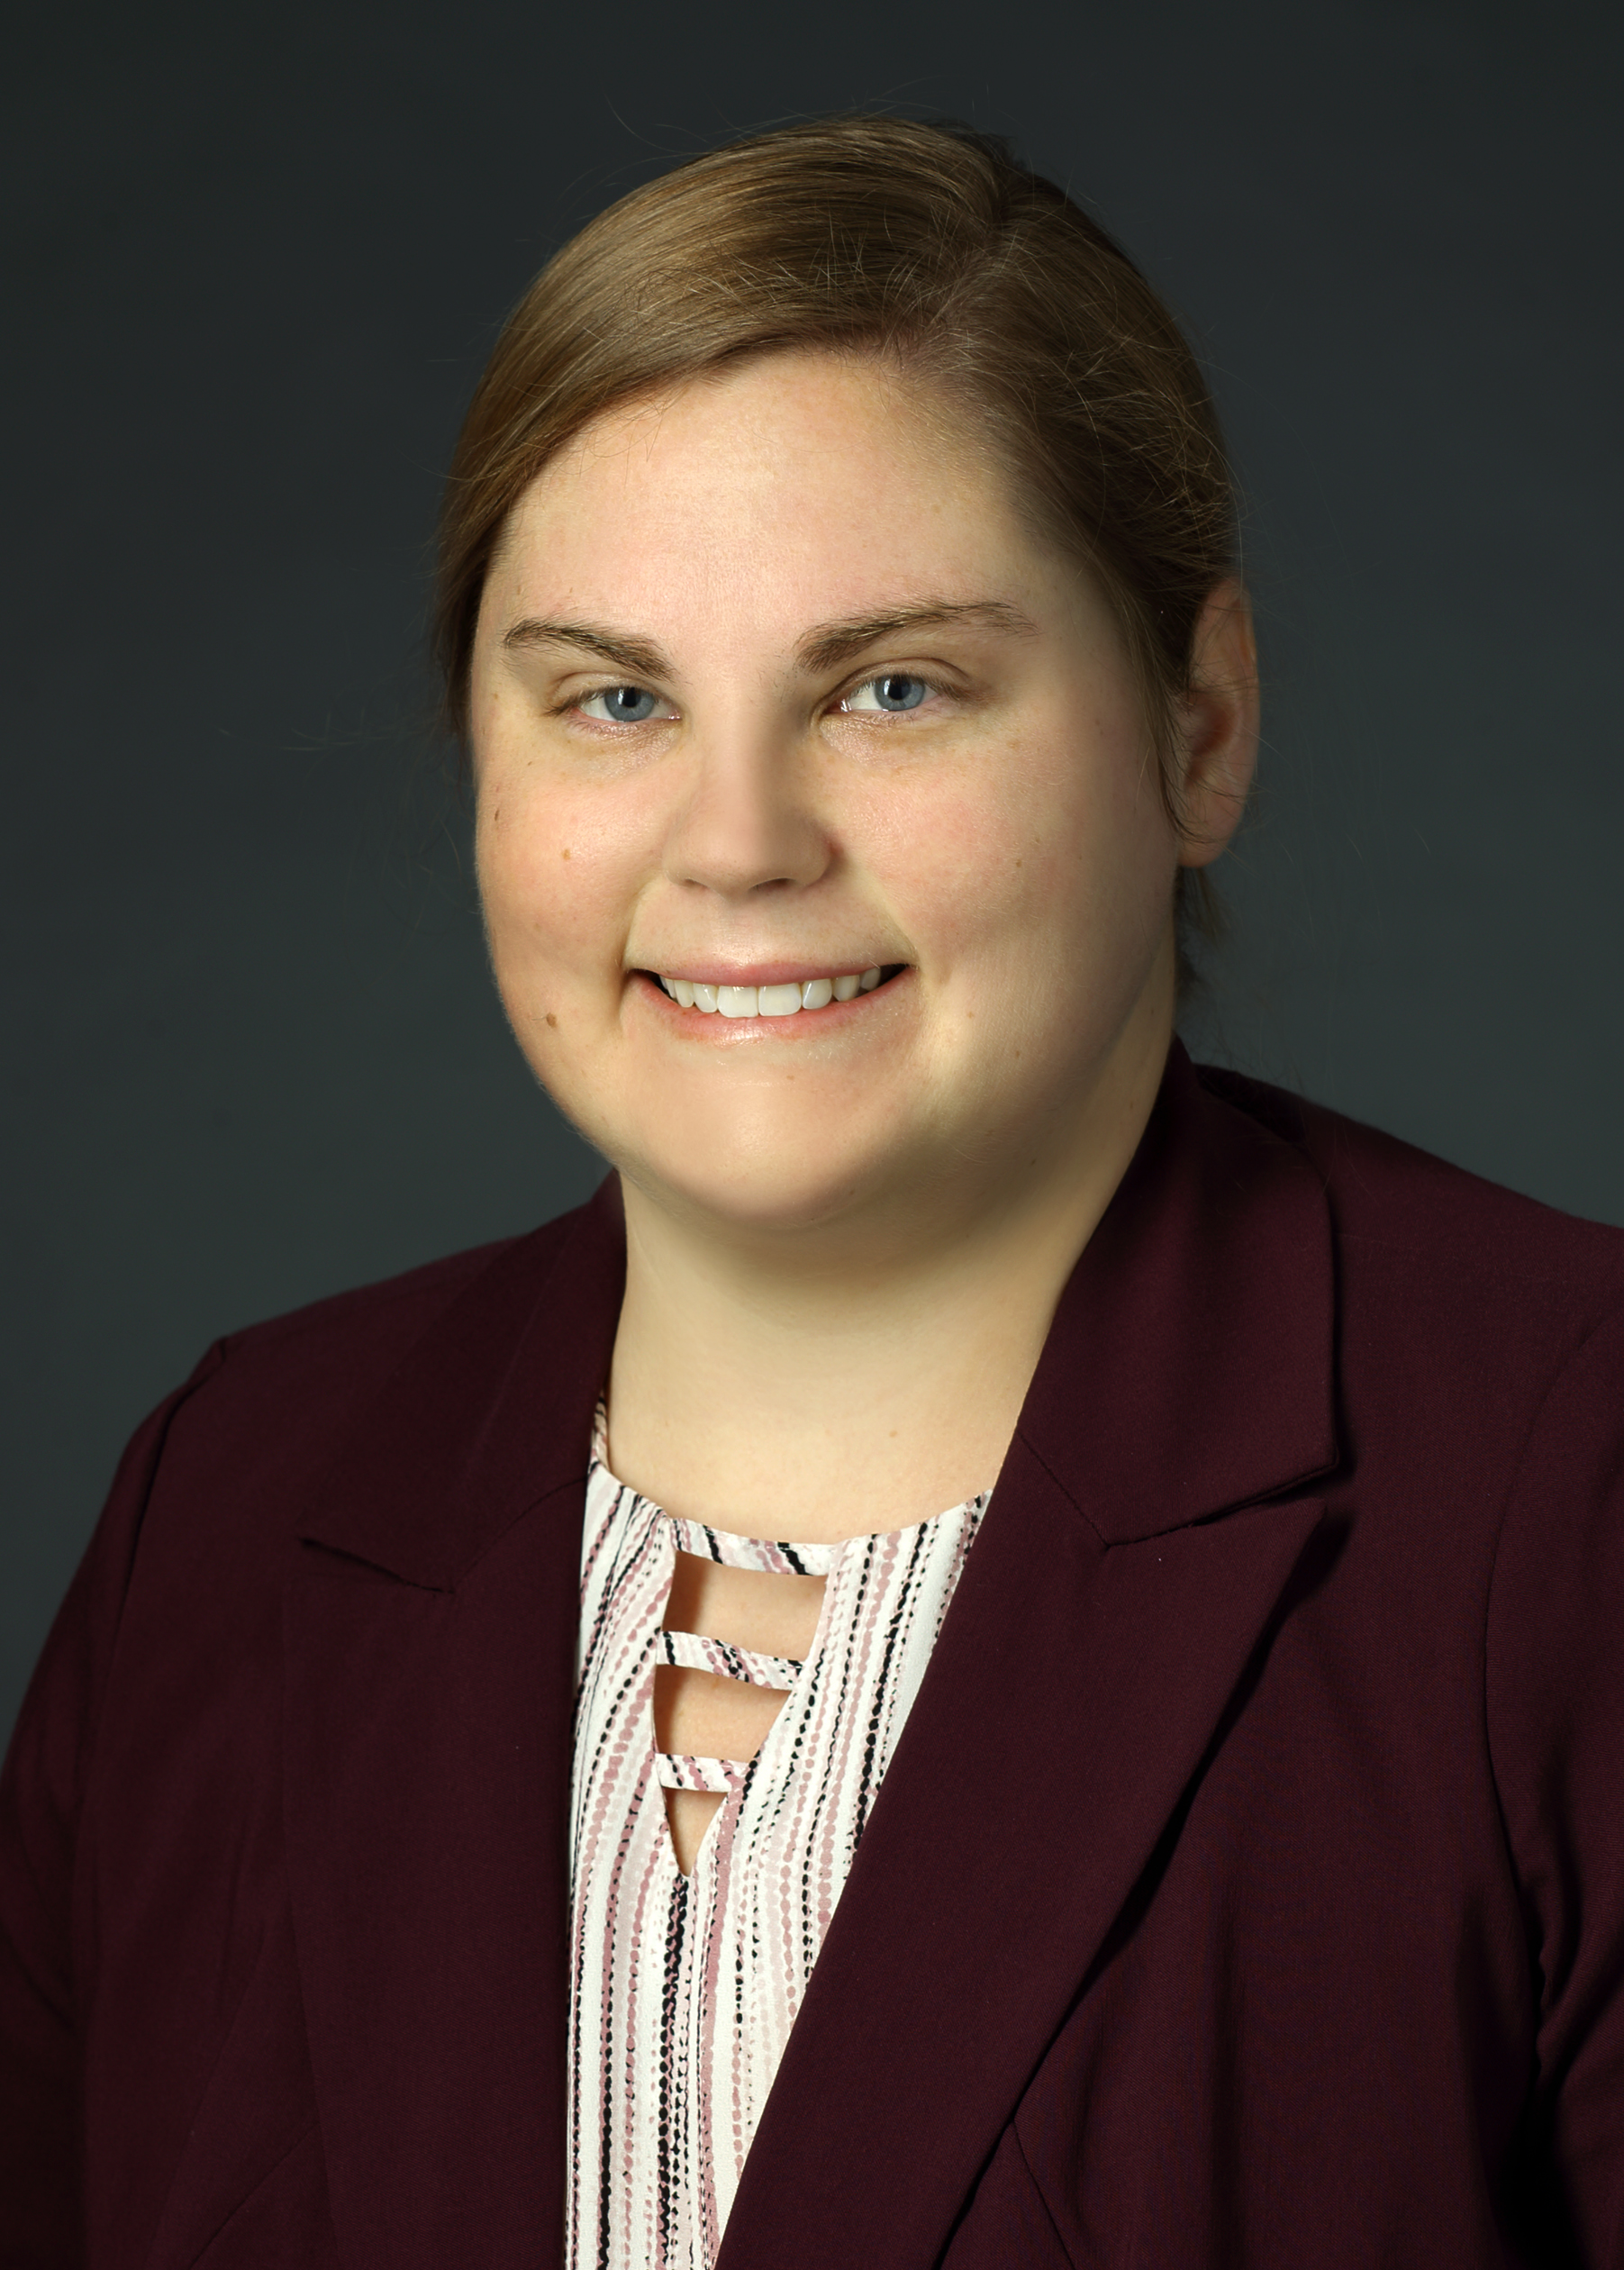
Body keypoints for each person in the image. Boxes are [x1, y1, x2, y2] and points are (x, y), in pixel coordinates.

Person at [2, 113, 1620, 2270]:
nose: (737, 842)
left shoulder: (1567, 1486)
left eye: (890, 687)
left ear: (1200, 727)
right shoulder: (228, 1497)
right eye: (612, 699)